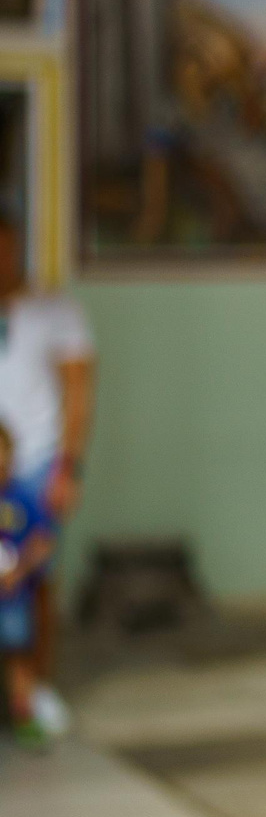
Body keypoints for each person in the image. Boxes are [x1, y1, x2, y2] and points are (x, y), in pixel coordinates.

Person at [0, 209, 92, 747]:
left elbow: (80, 390)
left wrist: (68, 465)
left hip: (35, 460)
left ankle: (34, 690)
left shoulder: (55, 311)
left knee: (35, 580)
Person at [0, 421, 58, 746]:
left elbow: (43, 539)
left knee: (19, 656)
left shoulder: (21, 496)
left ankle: (25, 715)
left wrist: (20, 571)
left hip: (12, 598)